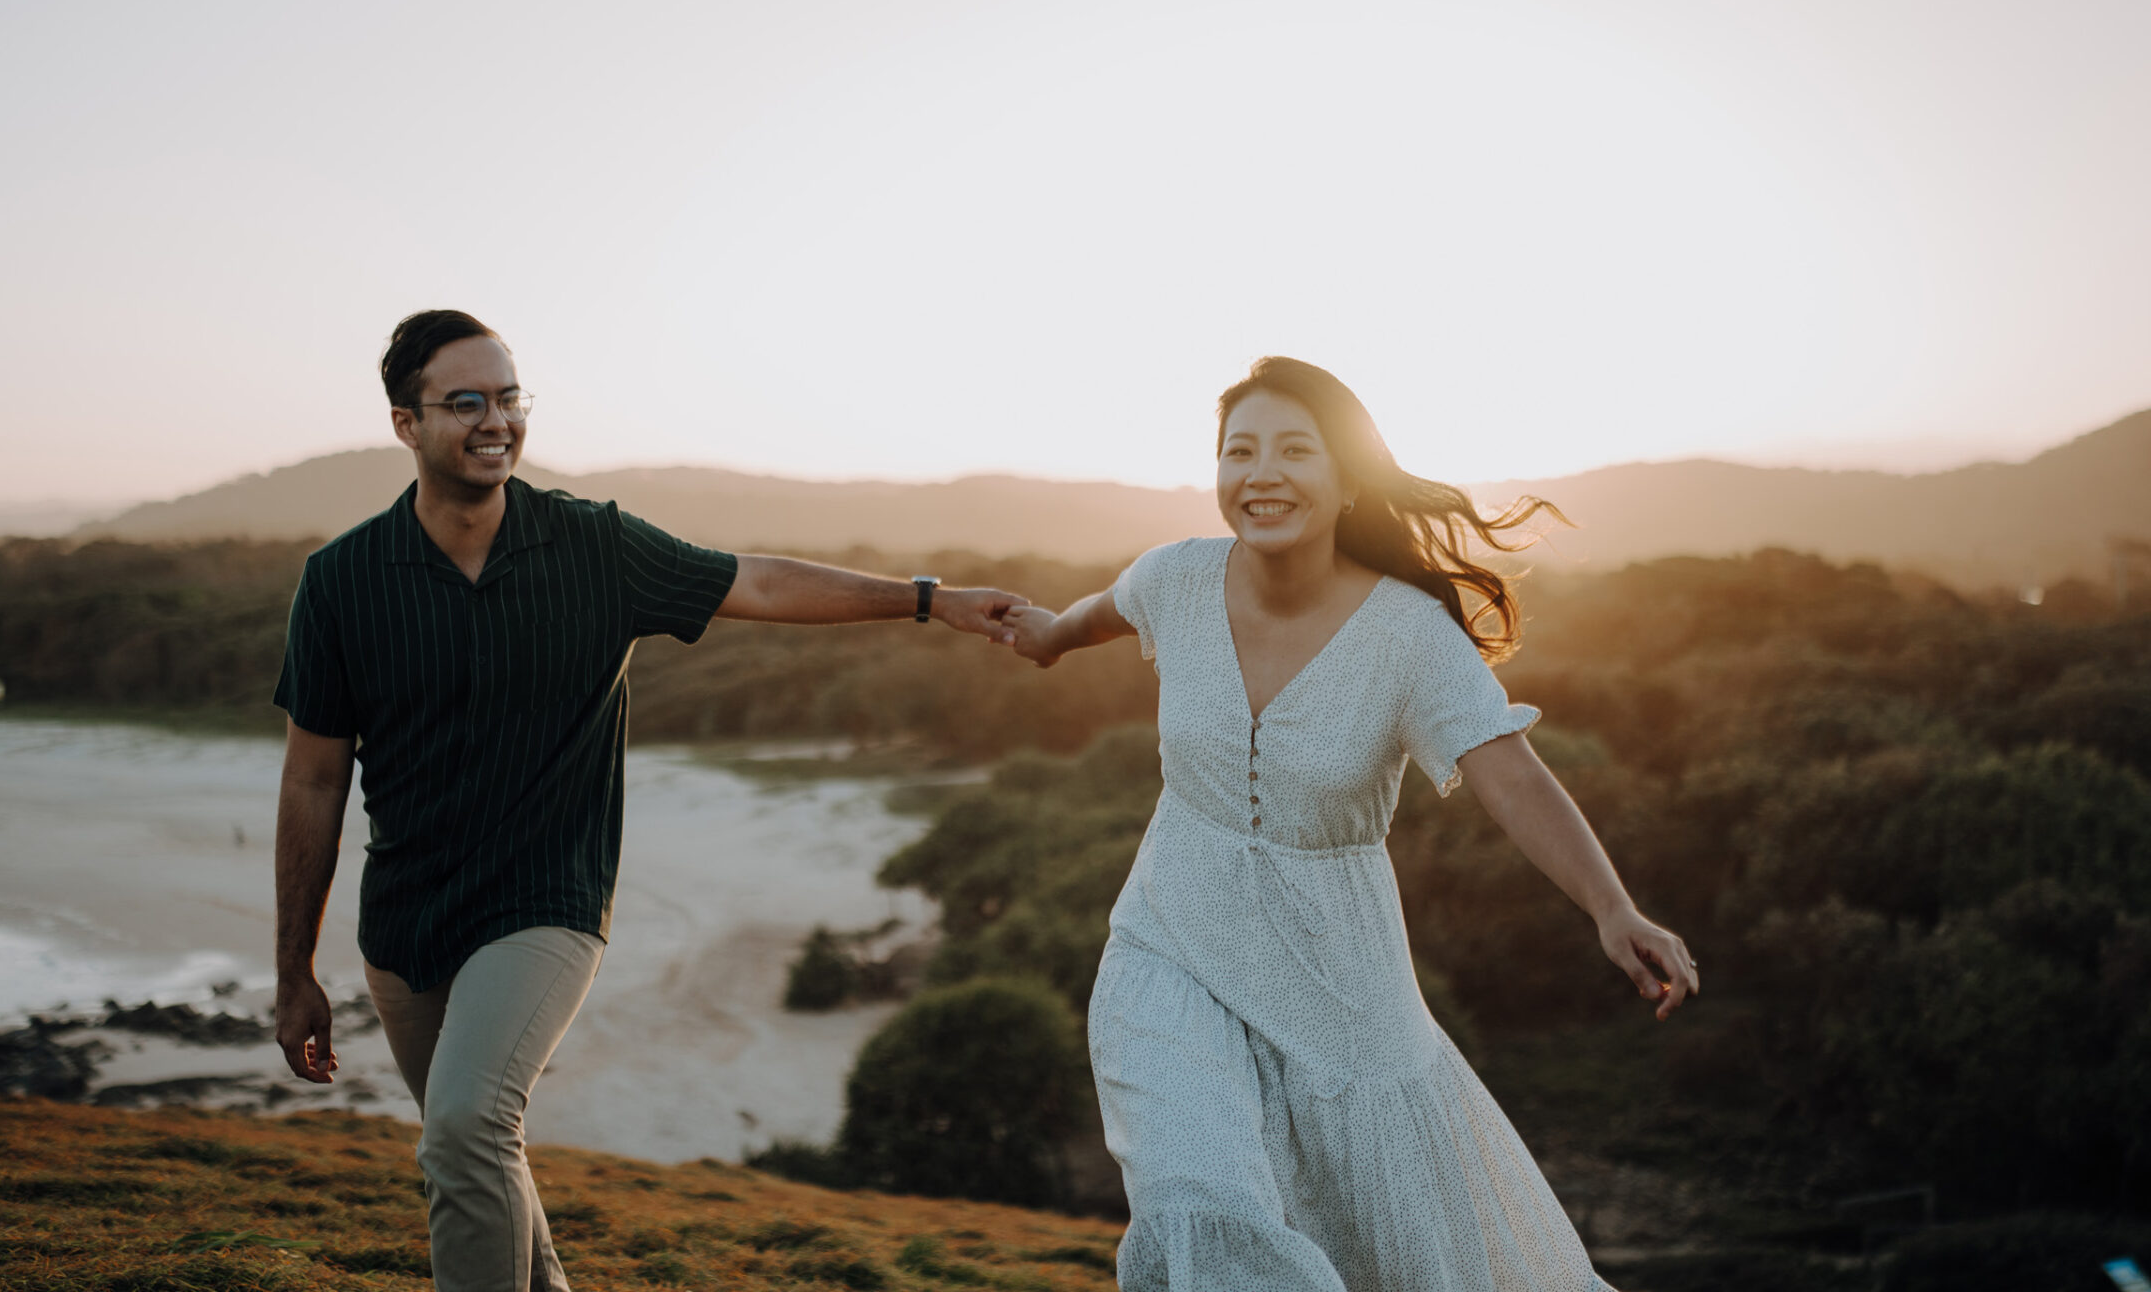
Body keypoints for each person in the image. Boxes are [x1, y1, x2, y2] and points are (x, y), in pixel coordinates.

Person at [270, 309, 1025, 1292]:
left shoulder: (594, 546)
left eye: (509, 397)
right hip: (407, 925)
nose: (496, 420)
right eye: (466, 401)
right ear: (406, 424)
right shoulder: (341, 584)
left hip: (547, 900)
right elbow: (314, 781)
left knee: (467, 1125)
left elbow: (758, 583)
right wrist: (295, 971)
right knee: (482, 1153)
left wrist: (931, 598)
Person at [1001, 356, 1695, 1291]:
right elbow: (1100, 613)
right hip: (1168, 944)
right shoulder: (1174, 579)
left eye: (1295, 450)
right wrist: (1045, 636)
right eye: (1239, 451)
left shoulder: (1409, 636)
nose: (1262, 473)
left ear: (1346, 478)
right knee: (1200, 1199)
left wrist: (1613, 909)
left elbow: (1513, 776)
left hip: (1343, 986)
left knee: (1394, 1253)